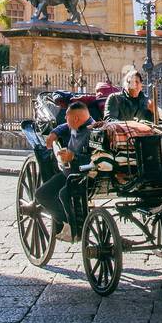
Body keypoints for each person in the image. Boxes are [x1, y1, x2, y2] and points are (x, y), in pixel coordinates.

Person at [35, 101, 95, 241]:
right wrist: (54, 133)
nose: (66, 122)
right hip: (69, 173)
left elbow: (97, 159)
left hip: (83, 176)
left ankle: (75, 229)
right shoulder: (76, 124)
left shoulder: (93, 132)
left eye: (67, 118)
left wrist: (73, 157)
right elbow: (65, 127)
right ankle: (66, 221)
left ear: (75, 118)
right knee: (42, 194)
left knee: (63, 194)